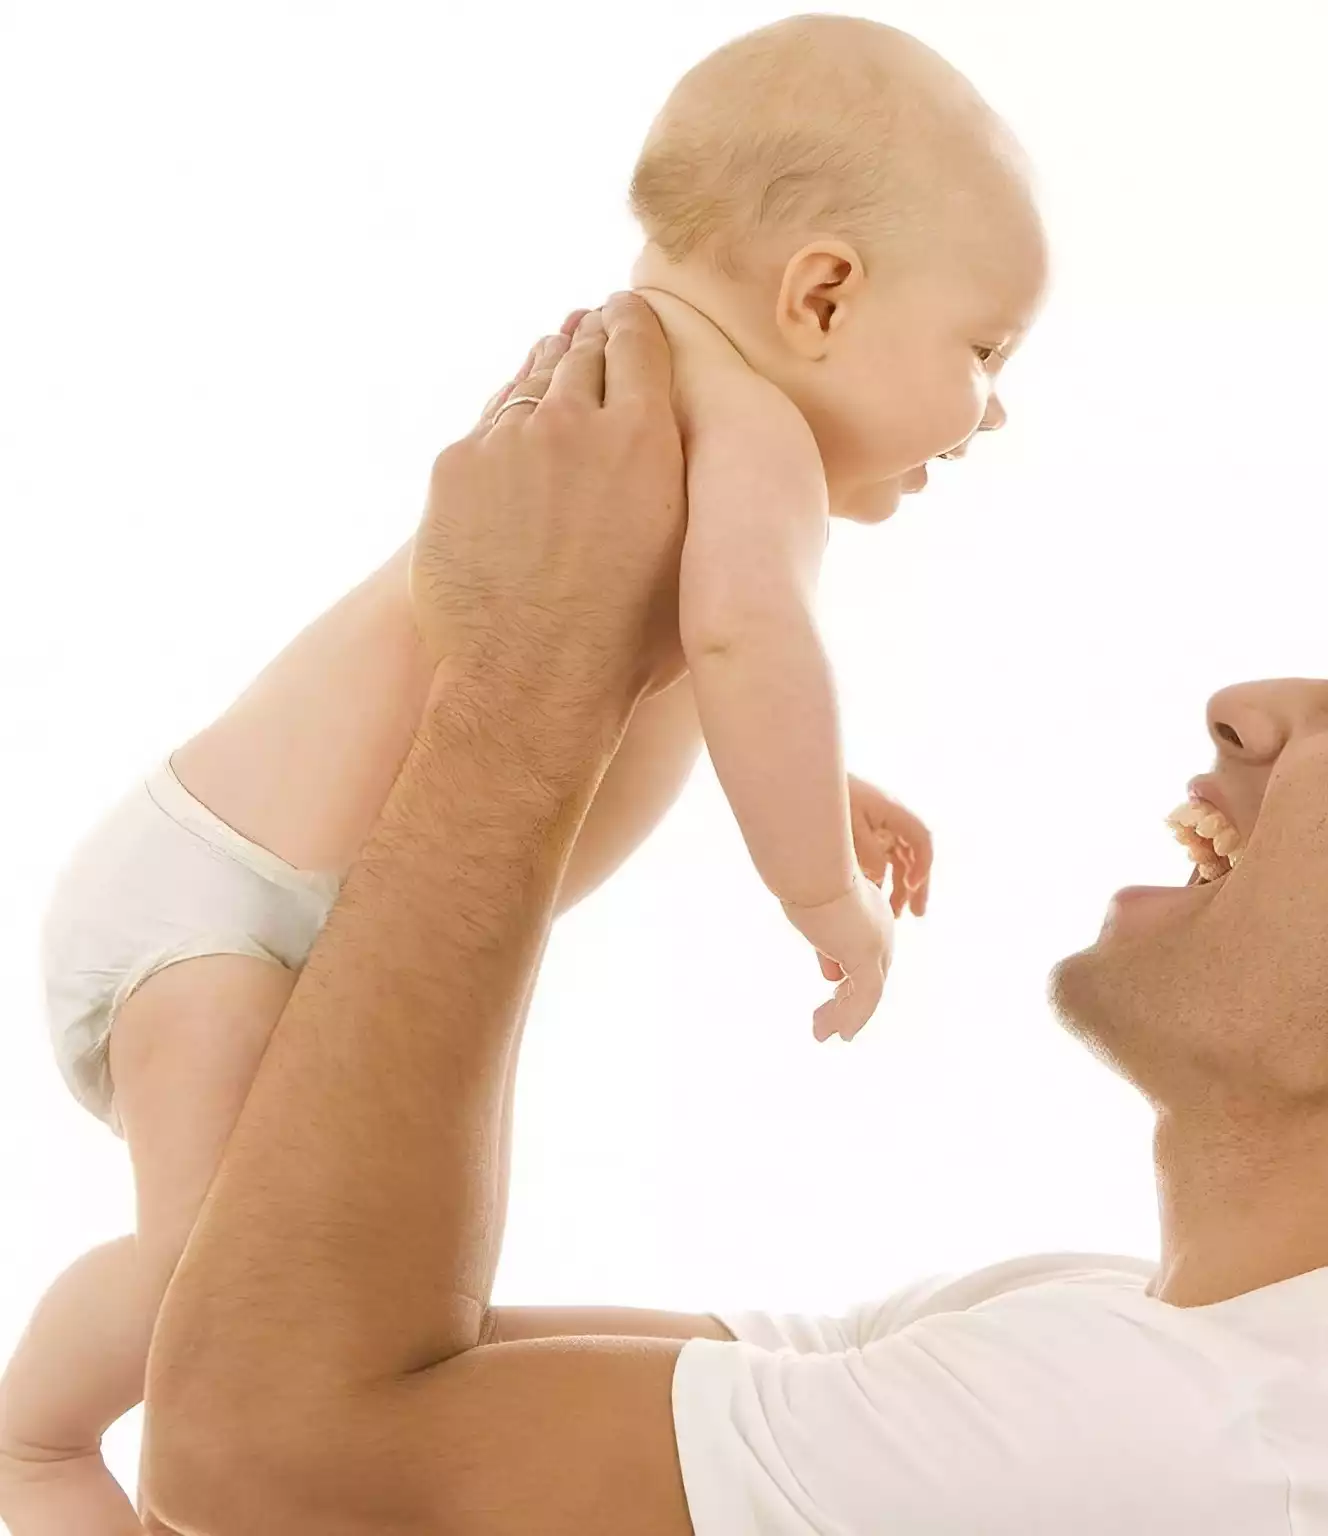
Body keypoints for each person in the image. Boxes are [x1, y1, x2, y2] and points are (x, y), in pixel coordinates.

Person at [129, 292, 1328, 1534]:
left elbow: (267, 1451)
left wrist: (532, 678)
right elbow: (327, 1356)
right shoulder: (1129, 1347)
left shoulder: (1189, 1443)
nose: (1249, 707)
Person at [0, 17, 1046, 1534]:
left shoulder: (647, 383)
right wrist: (823, 894)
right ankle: (30, 1444)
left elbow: (692, 663)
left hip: (237, 892)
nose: (995, 407)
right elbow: (750, 642)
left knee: (294, 1289)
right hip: (229, 912)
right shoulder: (750, 429)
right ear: (821, 294)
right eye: (985, 352)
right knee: (226, 1279)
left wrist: (827, 783)